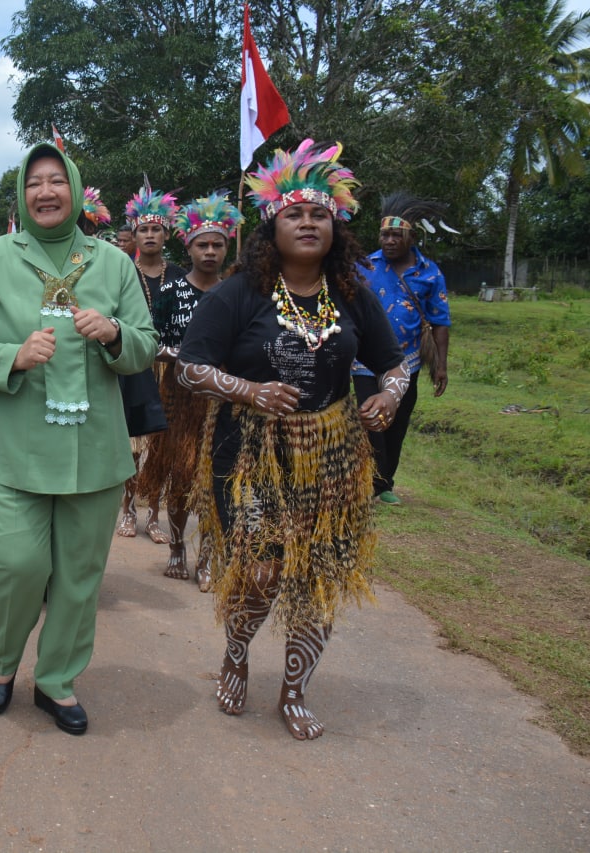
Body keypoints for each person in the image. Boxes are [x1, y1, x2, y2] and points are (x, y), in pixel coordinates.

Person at [176, 140, 408, 740]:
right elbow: (190, 368)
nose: (308, 223)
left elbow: (395, 364)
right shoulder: (239, 293)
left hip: (331, 458)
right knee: (261, 572)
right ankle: (236, 653)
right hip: (248, 456)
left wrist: (388, 395)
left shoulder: (352, 295)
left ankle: (295, 688)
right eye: (294, 214)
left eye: (319, 214)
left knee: (318, 574)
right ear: (270, 225)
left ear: (337, 225)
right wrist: (249, 391)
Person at [0, 143, 157, 735]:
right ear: (21, 194)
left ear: (76, 190)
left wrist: (114, 333)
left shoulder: (112, 262)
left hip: (94, 452)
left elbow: (145, 343)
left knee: (79, 576)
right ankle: (4, 662)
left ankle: (57, 681)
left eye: (56, 180)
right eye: (34, 181)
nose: (45, 191)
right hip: (10, 448)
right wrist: (12, 355)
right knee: (17, 562)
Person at [137, 192, 243, 590]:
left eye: (217, 244)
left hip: (227, 400)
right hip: (181, 398)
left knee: (220, 478)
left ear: (227, 246)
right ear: (190, 246)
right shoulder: (171, 294)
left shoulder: (239, 292)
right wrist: (182, 357)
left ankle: (211, 556)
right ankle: (179, 548)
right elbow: (150, 342)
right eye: (203, 244)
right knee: (181, 476)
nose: (211, 251)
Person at [352, 193, 451, 505]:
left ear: (412, 238)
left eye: (397, 235)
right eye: (385, 234)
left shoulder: (430, 273)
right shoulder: (364, 266)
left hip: (407, 362)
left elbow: (440, 321)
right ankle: (369, 482)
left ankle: (385, 483)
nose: (389, 241)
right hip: (364, 362)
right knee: (371, 421)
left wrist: (441, 366)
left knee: (396, 423)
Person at [115, 190, 181, 542]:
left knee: (161, 446)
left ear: (166, 235)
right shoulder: (122, 274)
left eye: (157, 229)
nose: (150, 235)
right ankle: (127, 508)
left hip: (171, 374)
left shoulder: (181, 277)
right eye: (144, 230)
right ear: (136, 236)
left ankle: (153, 514)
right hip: (136, 369)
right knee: (132, 442)